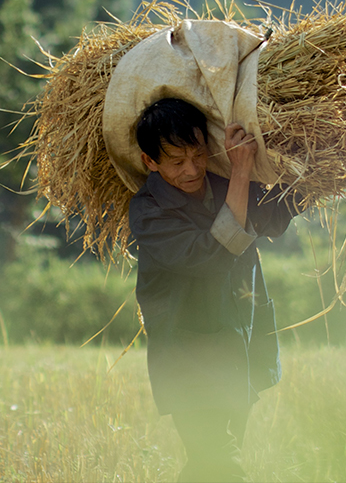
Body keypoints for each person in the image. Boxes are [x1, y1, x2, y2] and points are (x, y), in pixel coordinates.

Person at [128, 97, 300, 483]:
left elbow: (274, 218)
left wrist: (315, 158)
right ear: (149, 161)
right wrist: (241, 171)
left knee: (209, 467)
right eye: (176, 161)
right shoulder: (149, 212)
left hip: (238, 348)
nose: (191, 170)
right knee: (223, 464)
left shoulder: (222, 183)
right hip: (189, 359)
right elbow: (212, 256)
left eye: (198, 155)